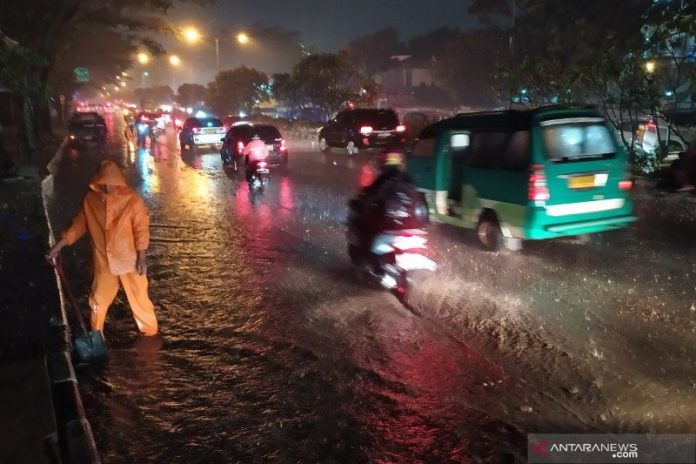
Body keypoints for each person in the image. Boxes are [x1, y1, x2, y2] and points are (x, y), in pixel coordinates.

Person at [46, 160, 158, 337]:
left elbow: (141, 230)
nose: (108, 187)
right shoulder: (90, 201)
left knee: (140, 300)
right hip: (104, 263)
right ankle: (96, 336)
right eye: (104, 183)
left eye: (112, 183)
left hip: (130, 261)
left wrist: (142, 258)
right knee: (98, 301)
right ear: (97, 182)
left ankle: (150, 334)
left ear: (119, 181)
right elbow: (79, 225)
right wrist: (58, 247)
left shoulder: (132, 201)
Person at [353, 147, 426, 251]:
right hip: (408, 224)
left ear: (383, 162)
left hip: (389, 225)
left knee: (366, 228)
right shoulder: (408, 179)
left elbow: (371, 196)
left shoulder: (383, 180)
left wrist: (360, 204)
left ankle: (369, 255)